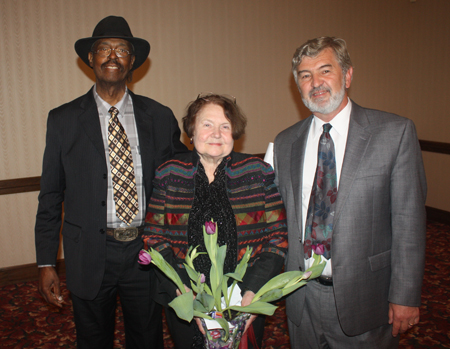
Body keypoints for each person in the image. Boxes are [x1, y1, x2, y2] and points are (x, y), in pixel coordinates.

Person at [35, 16, 187, 349]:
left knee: (147, 338)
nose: (112, 56)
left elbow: (181, 181)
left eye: (121, 49)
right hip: (88, 251)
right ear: (91, 58)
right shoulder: (62, 120)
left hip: (145, 253)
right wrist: (46, 262)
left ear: (133, 61)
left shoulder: (159, 116)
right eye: (104, 48)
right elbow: (50, 195)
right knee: (92, 339)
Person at [273, 37, 427, 348]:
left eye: (325, 71)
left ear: (348, 75)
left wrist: (405, 295)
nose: (315, 83)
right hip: (301, 297)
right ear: (297, 85)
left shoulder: (394, 133)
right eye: (305, 75)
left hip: (367, 298)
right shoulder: (286, 142)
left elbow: (408, 223)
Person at [143, 93, 288, 348]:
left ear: (234, 133)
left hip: (244, 297)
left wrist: (252, 292)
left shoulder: (257, 173)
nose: (216, 133)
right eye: (207, 125)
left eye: (225, 126)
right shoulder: (169, 173)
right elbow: (154, 236)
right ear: (192, 131)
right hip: (186, 296)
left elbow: (278, 238)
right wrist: (181, 287)